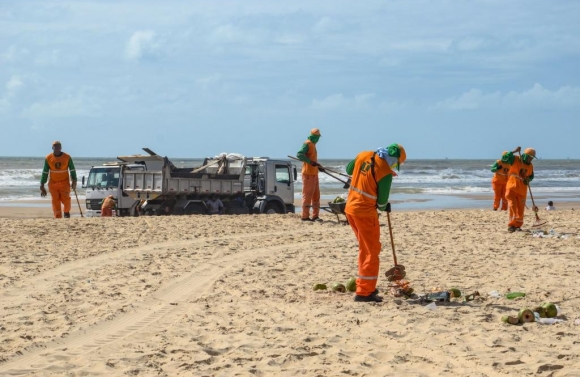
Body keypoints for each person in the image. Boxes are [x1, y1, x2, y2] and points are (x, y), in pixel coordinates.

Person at [345, 143, 406, 303]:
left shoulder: (364, 154)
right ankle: (364, 292)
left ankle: (365, 285)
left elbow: (349, 169)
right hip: (365, 213)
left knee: (364, 249)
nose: (393, 166)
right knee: (371, 251)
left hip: (350, 209)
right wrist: (385, 205)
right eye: (395, 163)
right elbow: (381, 203)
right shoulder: (385, 173)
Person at [40, 141, 77, 218]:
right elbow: (45, 172)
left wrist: (74, 180)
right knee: (55, 201)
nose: (57, 148)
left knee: (66, 200)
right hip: (53, 184)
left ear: (61, 147)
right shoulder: (48, 158)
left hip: (64, 183)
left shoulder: (67, 157)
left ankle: (66, 212)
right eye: (55, 146)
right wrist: (42, 184)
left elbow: (72, 169)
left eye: (58, 146)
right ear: (52, 148)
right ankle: (57, 216)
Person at [505, 146, 536, 233]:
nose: (531, 159)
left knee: (520, 209)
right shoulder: (515, 160)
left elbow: (531, 176)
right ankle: (511, 225)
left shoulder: (530, 166)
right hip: (512, 188)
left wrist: (528, 180)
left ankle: (518, 226)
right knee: (512, 206)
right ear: (526, 156)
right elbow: (505, 158)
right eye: (530, 157)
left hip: (522, 190)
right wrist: (514, 151)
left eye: (532, 158)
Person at [297, 128, 324, 222]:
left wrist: (318, 166)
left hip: (314, 173)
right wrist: (310, 162)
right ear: (313, 136)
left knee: (316, 196)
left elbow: (313, 160)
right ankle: (305, 217)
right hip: (308, 174)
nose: (318, 139)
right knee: (307, 195)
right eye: (317, 137)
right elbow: (299, 154)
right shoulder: (307, 143)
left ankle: (315, 216)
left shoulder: (313, 145)